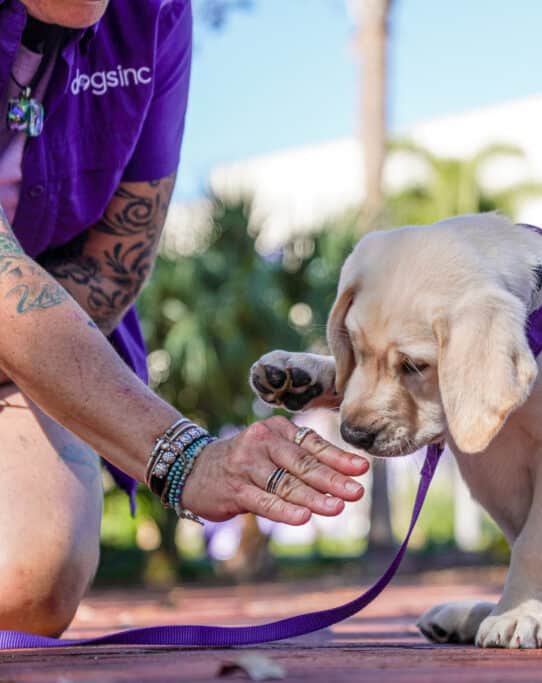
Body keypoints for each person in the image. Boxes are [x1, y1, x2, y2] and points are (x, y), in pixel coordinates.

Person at [0, 0, 368, 637]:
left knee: (29, 580)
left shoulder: (157, 13)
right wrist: (183, 456)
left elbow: (117, 261)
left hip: (24, 356)